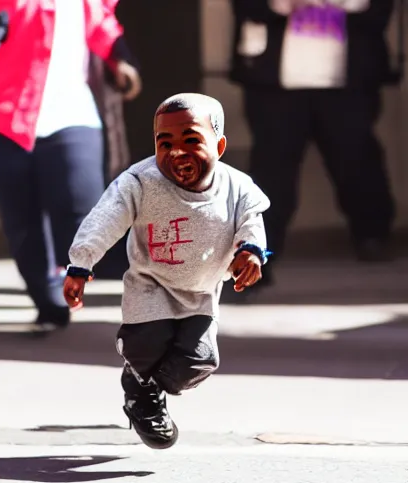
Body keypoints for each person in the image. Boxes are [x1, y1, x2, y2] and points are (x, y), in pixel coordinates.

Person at [62, 93, 270, 449]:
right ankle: (141, 388)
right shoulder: (140, 182)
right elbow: (104, 221)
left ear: (218, 145)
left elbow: (251, 221)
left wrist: (251, 252)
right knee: (147, 345)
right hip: (151, 284)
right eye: (165, 142)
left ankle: (144, 389)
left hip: (201, 291)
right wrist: (81, 263)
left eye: (191, 140)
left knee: (199, 360)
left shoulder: (237, 186)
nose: (177, 153)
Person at [0, 0, 142, 333]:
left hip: (72, 113)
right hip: (3, 115)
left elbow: (99, 23)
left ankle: (71, 277)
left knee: (82, 203)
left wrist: (120, 59)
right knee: (22, 217)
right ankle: (47, 301)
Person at [230, 0, 396, 283]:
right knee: (272, 168)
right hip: (276, 81)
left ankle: (372, 235)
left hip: (347, 79)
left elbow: (379, 11)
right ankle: (259, 251)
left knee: (356, 159)